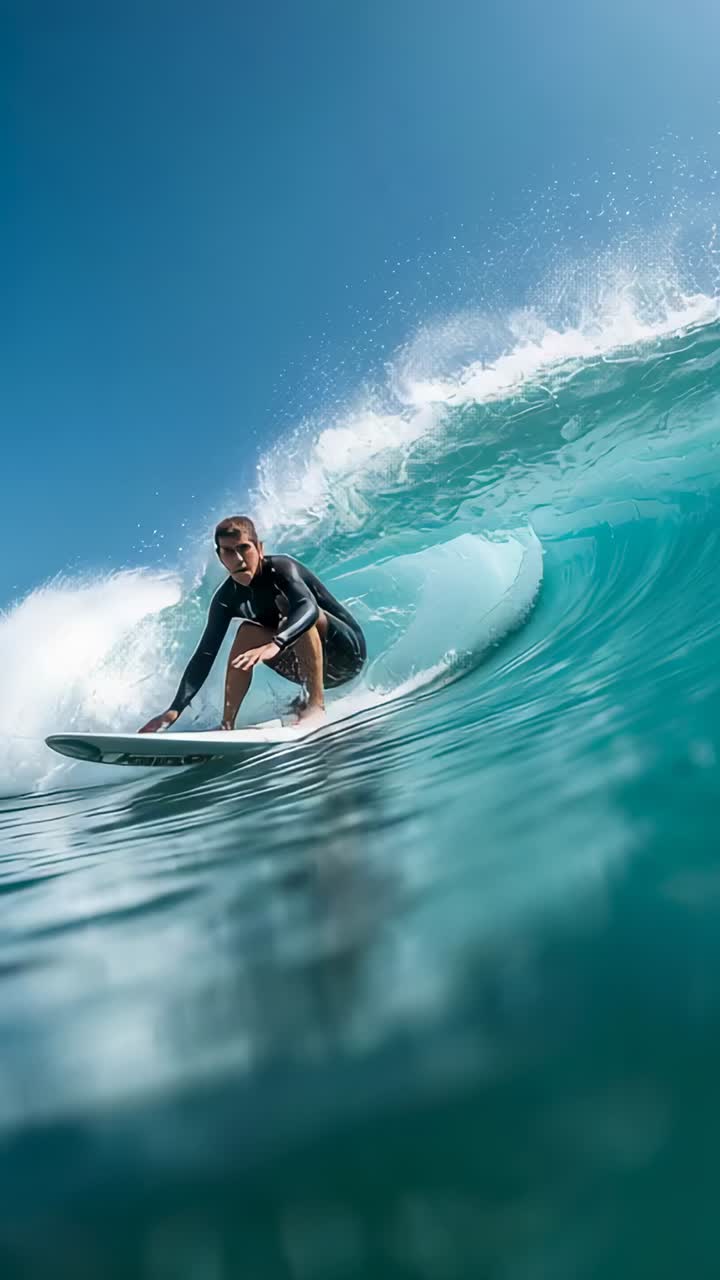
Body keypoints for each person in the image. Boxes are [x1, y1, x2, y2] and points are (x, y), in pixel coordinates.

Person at [139, 516, 367, 734]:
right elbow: (204, 655)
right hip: (312, 670)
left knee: (293, 614)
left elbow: (307, 607)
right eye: (228, 551)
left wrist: (276, 643)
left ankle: (315, 708)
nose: (238, 559)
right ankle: (227, 724)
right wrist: (174, 709)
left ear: (259, 548)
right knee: (246, 633)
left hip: (347, 655)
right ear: (220, 557)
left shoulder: (282, 569)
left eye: (244, 548)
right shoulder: (226, 599)